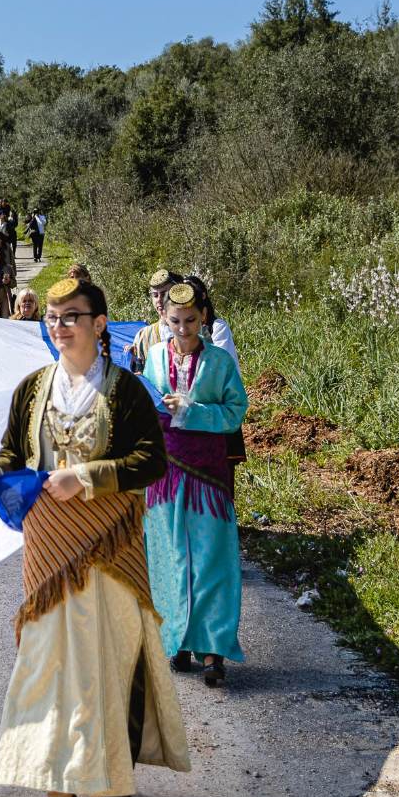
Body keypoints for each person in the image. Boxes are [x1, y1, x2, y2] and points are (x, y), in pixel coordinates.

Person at [0, 278, 188, 797]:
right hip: (49, 549)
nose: (60, 326)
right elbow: (15, 449)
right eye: (53, 317)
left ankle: (112, 771)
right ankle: (59, 792)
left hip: (112, 547)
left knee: (108, 663)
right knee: (54, 665)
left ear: (99, 324)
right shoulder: (31, 389)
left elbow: (151, 461)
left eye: (71, 316)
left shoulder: (127, 391)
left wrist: (86, 478)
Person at [139, 277, 248, 686]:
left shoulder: (219, 362)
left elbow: (235, 412)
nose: (183, 329)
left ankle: (213, 649)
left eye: (190, 321)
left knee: (211, 560)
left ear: (203, 318)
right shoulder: (152, 356)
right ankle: (176, 640)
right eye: (175, 321)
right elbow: (144, 406)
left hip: (208, 478)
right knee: (168, 557)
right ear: (164, 320)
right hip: (164, 475)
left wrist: (193, 411)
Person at [130, 269, 239, 368]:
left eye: (164, 294)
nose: (159, 300)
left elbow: (227, 372)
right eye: (155, 295)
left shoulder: (210, 329)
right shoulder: (143, 336)